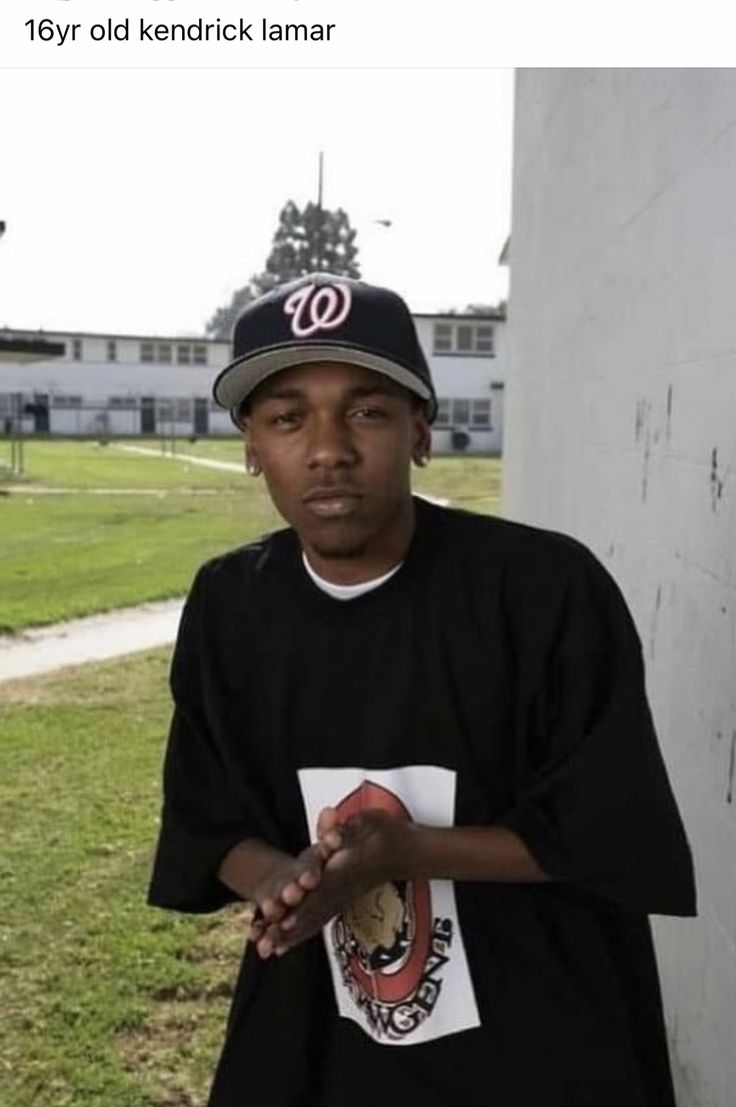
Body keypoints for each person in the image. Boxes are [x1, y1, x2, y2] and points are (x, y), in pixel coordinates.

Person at [147, 272, 696, 1107]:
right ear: (251, 443)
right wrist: (281, 882)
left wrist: (408, 851)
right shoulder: (232, 605)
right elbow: (205, 815)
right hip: (325, 1027)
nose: (328, 447)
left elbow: (611, 827)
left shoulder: (544, 591)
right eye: (289, 417)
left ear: (422, 429)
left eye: (366, 410)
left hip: (541, 1025)